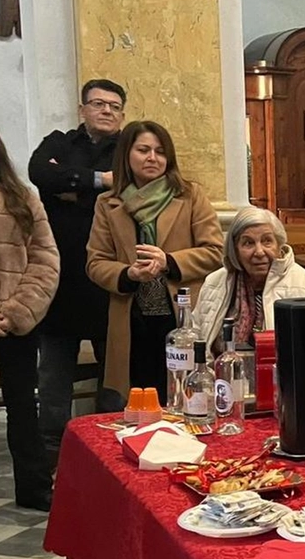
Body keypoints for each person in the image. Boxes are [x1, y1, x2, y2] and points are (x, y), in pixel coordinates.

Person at [0, 111, 59, 559]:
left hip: (18, 318)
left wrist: (20, 308)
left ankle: (34, 489)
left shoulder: (23, 196)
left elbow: (45, 256)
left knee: (25, 405)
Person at [86, 121, 222, 406]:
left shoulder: (189, 195)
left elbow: (214, 251)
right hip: (132, 319)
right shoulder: (107, 203)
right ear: (127, 155)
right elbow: (96, 262)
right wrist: (128, 273)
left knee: (185, 398)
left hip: (182, 315)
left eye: (160, 151)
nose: (152, 158)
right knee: (137, 403)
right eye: (143, 150)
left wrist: (168, 261)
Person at [28, 78, 126, 457]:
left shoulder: (128, 148)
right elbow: (41, 173)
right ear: (82, 109)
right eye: (98, 104)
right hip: (61, 276)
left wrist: (73, 190)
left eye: (114, 106)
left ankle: (107, 448)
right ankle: (51, 451)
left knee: (114, 372)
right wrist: (101, 182)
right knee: (54, 374)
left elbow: (133, 191)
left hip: (109, 276)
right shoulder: (59, 143)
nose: (106, 111)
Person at [191, 206, 305, 353]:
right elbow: (195, 337)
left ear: (279, 245)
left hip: (280, 374)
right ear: (235, 249)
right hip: (220, 373)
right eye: (248, 243)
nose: (259, 252)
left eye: (267, 241)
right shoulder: (214, 282)